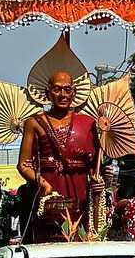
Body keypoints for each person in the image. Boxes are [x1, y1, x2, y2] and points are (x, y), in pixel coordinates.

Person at [17, 70, 99, 242]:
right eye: (57, 89)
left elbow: (96, 164)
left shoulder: (88, 123)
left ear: (74, 93)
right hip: (49, 193)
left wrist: (98, 183)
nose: (63, 94)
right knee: (48, 239)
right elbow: (23, 165)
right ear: (48, 92)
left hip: (80, 193)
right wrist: (44, 185)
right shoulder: (34, 122)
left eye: (67, 89)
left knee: (80, 239)